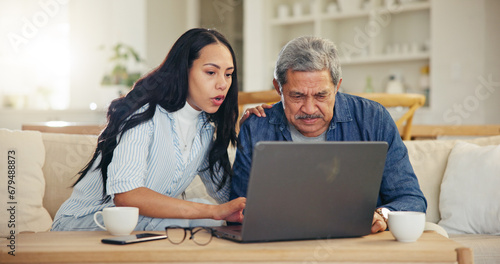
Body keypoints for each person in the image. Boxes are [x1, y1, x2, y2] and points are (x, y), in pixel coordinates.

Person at [52, 28, 246, 232]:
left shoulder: (206, 130)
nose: (223, 84)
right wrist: (212, 211)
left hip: (141, 228)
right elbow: (127, 196)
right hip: (84, 224)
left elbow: (232, 198)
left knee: (206, 223)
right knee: (201, 220)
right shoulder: (143, 115)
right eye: (210, 72)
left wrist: (258, 129)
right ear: (183, 70)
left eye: (229, 74)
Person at [231, 36, 427, 233]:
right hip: (282, 242)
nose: (309, 109)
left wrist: (382, 215)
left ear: (337, 86)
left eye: (321, 95)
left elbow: (411, 199)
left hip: (359, 243)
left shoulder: (373, 119)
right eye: (297, 96)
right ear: (278, 88)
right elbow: (237, 213)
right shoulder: (255, 128)